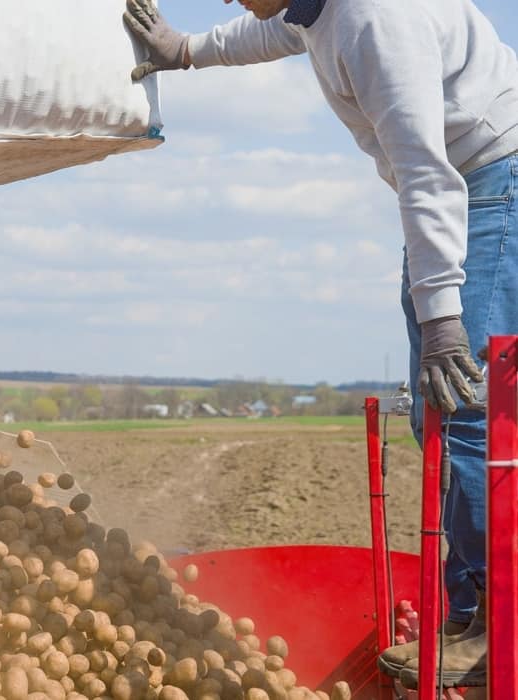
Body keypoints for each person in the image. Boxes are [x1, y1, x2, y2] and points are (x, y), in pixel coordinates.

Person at [123, 0, 518, 688]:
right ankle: (468, 612)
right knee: (448, 416)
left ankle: (494, 625)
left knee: (463, 416)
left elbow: (426, 173)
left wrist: (442, 320)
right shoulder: (316, 8)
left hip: (485, 182)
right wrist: (184, 50)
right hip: (468, 183)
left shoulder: (375, 23)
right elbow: (275, 29)